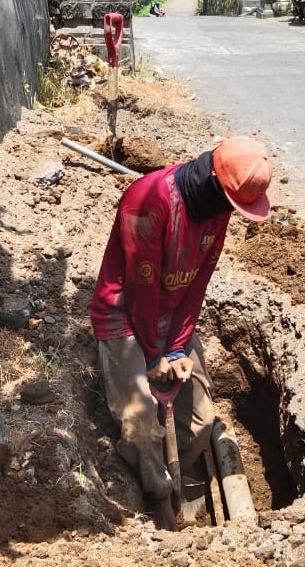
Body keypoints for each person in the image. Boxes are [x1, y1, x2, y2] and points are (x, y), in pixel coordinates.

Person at [89, 136, 273, 530]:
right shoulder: (148, 200)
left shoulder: (217, 207)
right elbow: (141, 289)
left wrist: (176, 348)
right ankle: (155, 495)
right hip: (125, 316)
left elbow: (198, 281)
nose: (231, 213)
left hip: (169, 319)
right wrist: (153, 358)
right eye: (232, 204)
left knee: (202, 420)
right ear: (214, 180)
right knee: (141, 427)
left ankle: (179, 476)